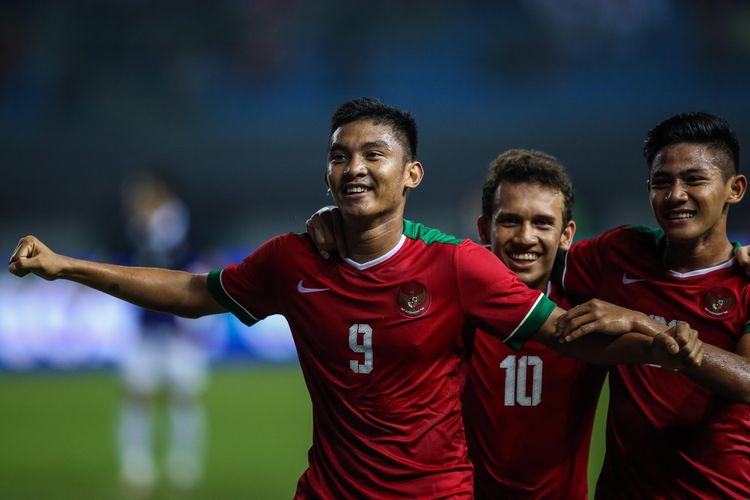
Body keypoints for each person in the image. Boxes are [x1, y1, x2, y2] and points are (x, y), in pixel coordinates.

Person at [8, 98, 699, 499]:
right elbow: (194, 291)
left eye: (374, 154)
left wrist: (674, 339)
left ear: (412, 174)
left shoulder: (458, 267)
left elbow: (567, 331)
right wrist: (69, 266)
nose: (355, 167)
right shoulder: (291, 259)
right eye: (341, 155)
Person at [556, 112, 750, 498]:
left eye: (694, 179)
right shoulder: (620, 253)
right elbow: (530, 265)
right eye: (662, 182)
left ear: (735, 188)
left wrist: (644, 324)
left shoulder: (745, 280)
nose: (675, 195)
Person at [462, 149, 606, 499]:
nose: (526, 238)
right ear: (485, 228)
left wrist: (735, 255)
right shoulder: (455, 308)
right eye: (510, 221)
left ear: (566, 234)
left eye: (542, 223)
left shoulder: (589, 310)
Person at [116, 172, 208, 493]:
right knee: (137, 395)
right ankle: (136, 462)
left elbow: (192, 263)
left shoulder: (176, 224)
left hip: (180, 325)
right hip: (146, 325)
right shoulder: (133, 229)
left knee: (184, 396)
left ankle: (184, 462)